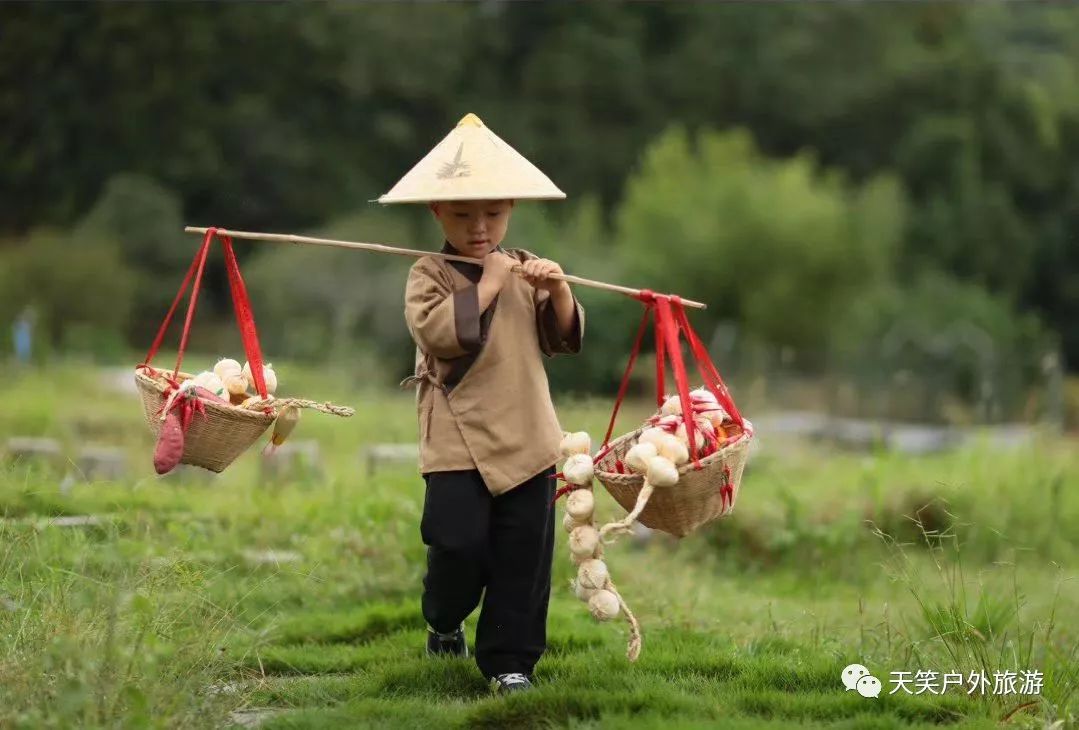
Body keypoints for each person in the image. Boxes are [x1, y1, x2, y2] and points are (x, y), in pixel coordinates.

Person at [383, 113, 584, 694]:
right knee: (456, 543)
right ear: (437, 213)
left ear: (511, 210)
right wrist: (490, 281)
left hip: (526, 433)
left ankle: (510, 663)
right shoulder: (430, 273)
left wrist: (558, 289)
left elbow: (561, 338)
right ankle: (444, 621)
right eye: (464, 214)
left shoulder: (524, 267)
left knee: (524, 556)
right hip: (456, 437)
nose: (480, 227)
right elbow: (441, 336)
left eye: (493, 214)